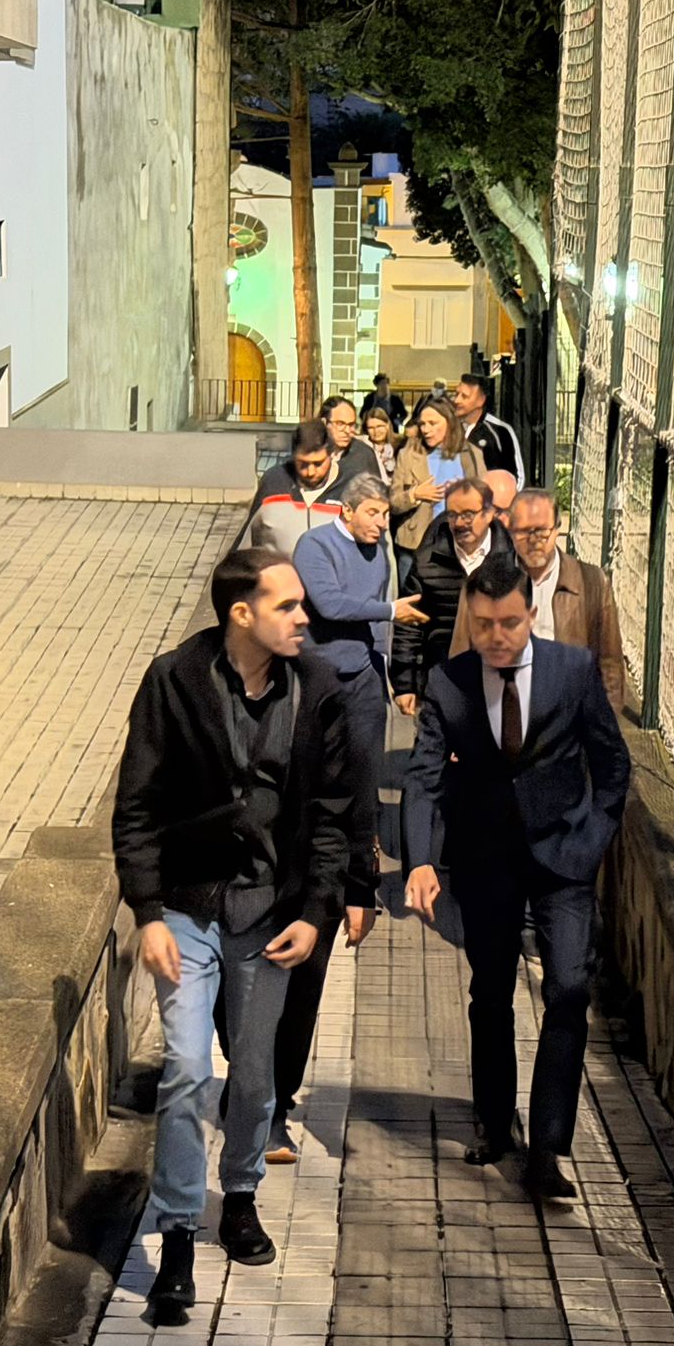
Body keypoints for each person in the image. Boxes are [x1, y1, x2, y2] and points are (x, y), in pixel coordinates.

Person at [112, 548, 354, 1320]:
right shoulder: (173, 682)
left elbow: (332, 816)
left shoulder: (317, 687)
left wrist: (316, 914)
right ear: (240, 613)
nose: (303, 618)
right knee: (186, 1068)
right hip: (187, 907)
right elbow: (137, 807)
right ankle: (179, 1231)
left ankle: (241, 1192)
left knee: (254, 1077)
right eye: (287, 606)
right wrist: (148, 912)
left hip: (273, 915)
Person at [403, 555, 631, 1200]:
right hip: (485, 859)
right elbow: (422, 778)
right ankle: (496, 1123)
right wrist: (420, 858)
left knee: (566, 990)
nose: (496, 637)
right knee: (491, 991)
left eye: (508, 623)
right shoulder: (449, 684)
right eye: (482, 625)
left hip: (564, 858)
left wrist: (592, 840)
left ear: (531, 615)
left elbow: (612, 765)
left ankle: (548, 1147)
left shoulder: (572, 671)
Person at [262, 475, 426, 1163]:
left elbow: (355, 800)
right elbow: (336, 605)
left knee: (303, 985)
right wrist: (388, 608)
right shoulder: (318, 552)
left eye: (386, 514)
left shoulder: (379, 549)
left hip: (363, 683)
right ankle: (257, 1101)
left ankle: (274, 1101)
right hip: (265, 875)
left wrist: (359, 885)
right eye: (370, 512)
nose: (379, 524)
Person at [452, 490, 626, 713]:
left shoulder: (592, 582)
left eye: (542, 532)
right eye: (524, 532)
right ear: (510, 531)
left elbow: (610, 664)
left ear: (557, 529)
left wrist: (606, 729)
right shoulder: (481, 580)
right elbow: (460, 657)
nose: (534, 541)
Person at [391, 477, 511, 718]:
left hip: (496, 685)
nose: (459, 523)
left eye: (468, 514)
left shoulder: (512, 560)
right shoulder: (427, 560)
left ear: (488, 514)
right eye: (453, 515)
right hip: (440, 680)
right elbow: (410, 625)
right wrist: (405, 684)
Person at [387, 396, 485, 576]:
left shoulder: (471, 455)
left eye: (433, 423)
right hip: (415, 545)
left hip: (460, 543)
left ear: (449, 422)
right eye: (422, 424)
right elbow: (393, 502)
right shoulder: (408, 455)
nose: (426, 429)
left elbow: (485, 498)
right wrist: (414, 494)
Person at [248, 420, 344, 553]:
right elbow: (247, 540)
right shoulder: (274, 482)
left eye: (318, 463)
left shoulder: (350, 486)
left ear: (332, 455)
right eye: (302, 464)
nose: (310, 472)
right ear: (293, 455)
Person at [456, 372, 525, 485]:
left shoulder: (500, 431)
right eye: (456, 394)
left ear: (481, 400)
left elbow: (517, 476)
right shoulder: (451, 429)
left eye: (464, 396)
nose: (457, 400)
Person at [319, 395, 382, 487]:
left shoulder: (364, 455)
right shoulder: (309, 451)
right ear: (324, 423)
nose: (347, 431)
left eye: (351, 425)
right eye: (340, 424)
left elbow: (376, 494)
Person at [362, 406, 399, 481]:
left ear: (387, 426)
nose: (376, 431)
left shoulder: (399, 446)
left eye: (379, 426)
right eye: (371, 428)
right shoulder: (362, 449)